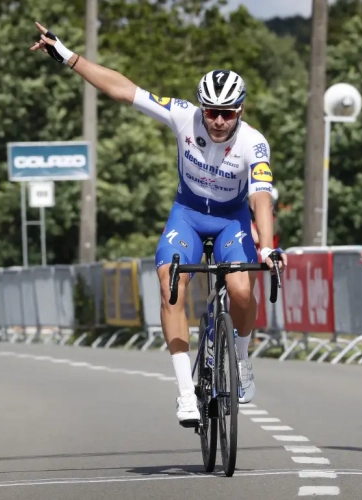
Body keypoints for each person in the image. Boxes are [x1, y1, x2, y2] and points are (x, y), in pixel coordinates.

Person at [31, 22, 287, 426]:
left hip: (230, 220)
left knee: (240, 289)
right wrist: (68, 56)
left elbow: (260, 197)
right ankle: (186, 393)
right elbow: (122, 89)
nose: (218, 121)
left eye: (227, 114)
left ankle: (241, 361)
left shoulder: (254, 143)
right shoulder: (184, 116)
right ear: (201, 107)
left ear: (241, 111)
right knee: (171, 282)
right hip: (186, 213)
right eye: (212, 112)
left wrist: (268, 248)